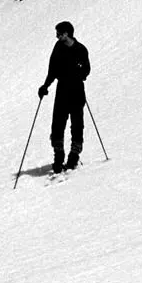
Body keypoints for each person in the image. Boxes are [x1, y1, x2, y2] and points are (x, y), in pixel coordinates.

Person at [39, 21, 91, 171]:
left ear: (67, 33)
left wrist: (79, 73)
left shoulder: (81, 49)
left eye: (59, 33)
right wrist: (45, 86)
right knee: (58, 125)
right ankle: (59, 157)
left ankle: (73, 156)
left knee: (77, 125)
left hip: (75, 90)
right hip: (64, 90)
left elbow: (87, 70)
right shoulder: (58, 48)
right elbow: (52, 70)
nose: (57, 36)